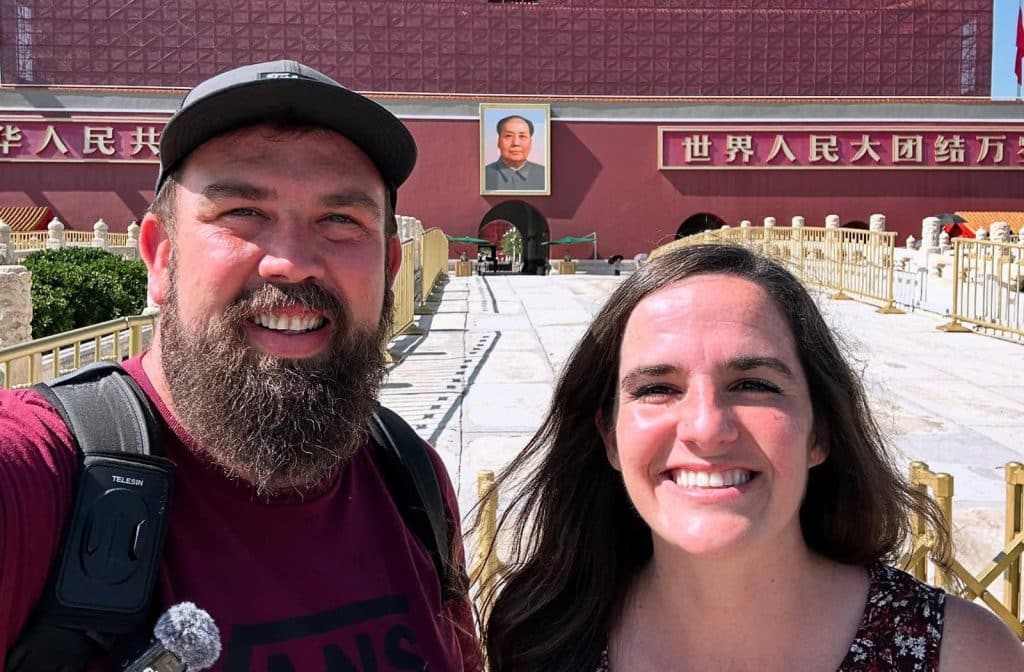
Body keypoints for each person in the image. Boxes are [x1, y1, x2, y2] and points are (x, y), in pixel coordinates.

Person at [0, 60, 480, 671]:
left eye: (340, 220)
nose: (291, 262)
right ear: (161, 258)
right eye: (242, 213)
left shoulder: (413, 481)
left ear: (388, 269)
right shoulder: (42, 478)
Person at [479, 243, 1024, 671]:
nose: (706, 427)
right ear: (609, 437)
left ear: (821, 432)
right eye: (657, 389)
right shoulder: (541, 644)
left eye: (754, 384)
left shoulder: (961, 655)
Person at [483, 115, 546, 191]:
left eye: (522, 136)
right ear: (498, 141)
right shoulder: (483, 175)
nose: (516, 143)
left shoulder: (545, 175)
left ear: (531, 143)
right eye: (508, 136)